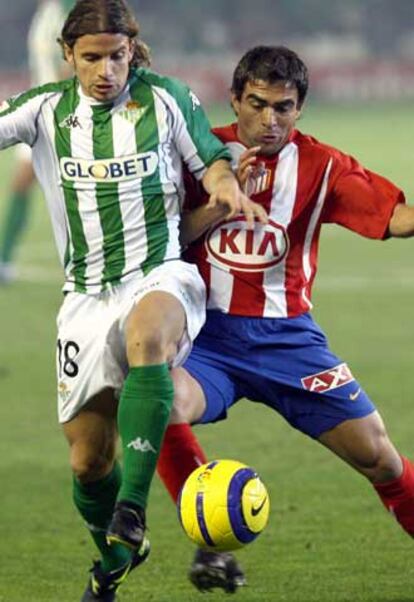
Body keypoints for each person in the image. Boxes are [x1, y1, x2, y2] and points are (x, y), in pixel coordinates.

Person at [0, 2, 267, 600]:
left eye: (116, 56)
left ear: (132, 52)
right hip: (84, 299)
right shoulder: (45, 109)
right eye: (91, 58)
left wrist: (227, 190)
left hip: (160, 275)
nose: (105, 70)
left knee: (147, 338)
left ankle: (132, 510)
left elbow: (213, 161)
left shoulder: (167, 99)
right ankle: (120, 548)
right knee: (87, 462)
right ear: (68, 56)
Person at [156, 45, 414, 593]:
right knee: (157, 399)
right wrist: (221, 204)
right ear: (234, 99)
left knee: (381, 459)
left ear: (300, 110)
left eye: (284, 108)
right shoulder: (197, 151)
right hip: (207, 337)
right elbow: (164, 239)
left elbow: (395, 219)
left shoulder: (321, 166)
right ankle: (208, 536)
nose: (269, 121)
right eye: (257, 104)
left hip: (288, 339)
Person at [0, 0, 72, 284]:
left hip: (63, 113)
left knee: (75, 189)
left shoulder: (70, 9)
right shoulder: (47, 10)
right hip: (40, 111)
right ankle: (3, 260)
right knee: (22, 181)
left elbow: (72, 64)